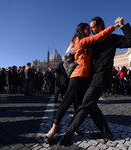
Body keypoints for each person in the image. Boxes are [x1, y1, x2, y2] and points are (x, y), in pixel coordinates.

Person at [58, 17, 131, 145]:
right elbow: (79, 55)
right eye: (90, 28)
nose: (91, 30)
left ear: (100, 25)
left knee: (86, 104)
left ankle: (69, 133)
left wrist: (124, 26)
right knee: (91, 106)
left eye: (93, 27)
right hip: (89, 78)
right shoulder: (90, 42)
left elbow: (129, 42)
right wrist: (73, 51)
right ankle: (106, 132)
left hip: (101, 77)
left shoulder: (112, 38)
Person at [44, 20, 118, 144]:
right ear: (81, 31)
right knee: (66, 102)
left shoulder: (85, 43)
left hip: (85, 78)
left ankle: (76, 127)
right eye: (87, 29)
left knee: (79, 104)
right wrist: (114, 26)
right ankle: (53, 130)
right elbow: (100, 36)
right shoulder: (81, 41)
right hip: (77, 77)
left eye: (90, 29)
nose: (90, 31)